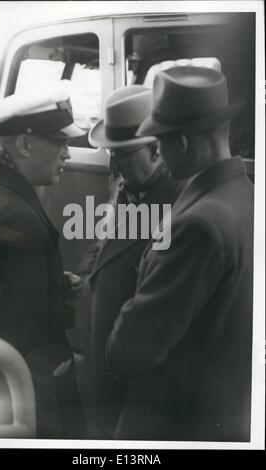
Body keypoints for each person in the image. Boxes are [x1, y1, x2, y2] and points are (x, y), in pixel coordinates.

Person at [106, 66, 254, 441]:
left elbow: (133, 347)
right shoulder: (245, 194)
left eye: (161, 139)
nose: (159, 150)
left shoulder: (196, 225)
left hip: (174, 422)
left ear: (184, 142)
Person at [78, 85, 184, 439]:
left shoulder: (179, 204)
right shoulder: (127, 189)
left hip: (131, 377)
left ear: (156, 150)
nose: (113, 164)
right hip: (104, 358)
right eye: (111, 153)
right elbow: (103, 242)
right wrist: (86, 276)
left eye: (122, 154)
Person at [0, 81, 86, 438]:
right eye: (60, 142)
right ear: (25, 145)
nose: (67, 153)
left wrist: (50, 285)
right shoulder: (19, 218)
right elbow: (21, 346)